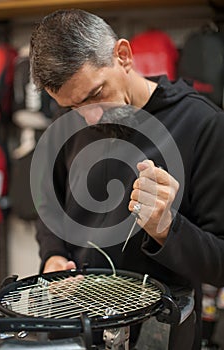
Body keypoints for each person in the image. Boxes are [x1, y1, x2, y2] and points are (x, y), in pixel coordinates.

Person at [29, 9, 224, 350]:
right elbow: (50, 205)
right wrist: (53, 256)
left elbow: (220, 262)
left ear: (123, 56)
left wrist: (167, 228)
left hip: (162, 335)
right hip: (76, 327)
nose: (89, 118)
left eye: (95, 95)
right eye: (71, 107)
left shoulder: (204, 124)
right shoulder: (68, 122)